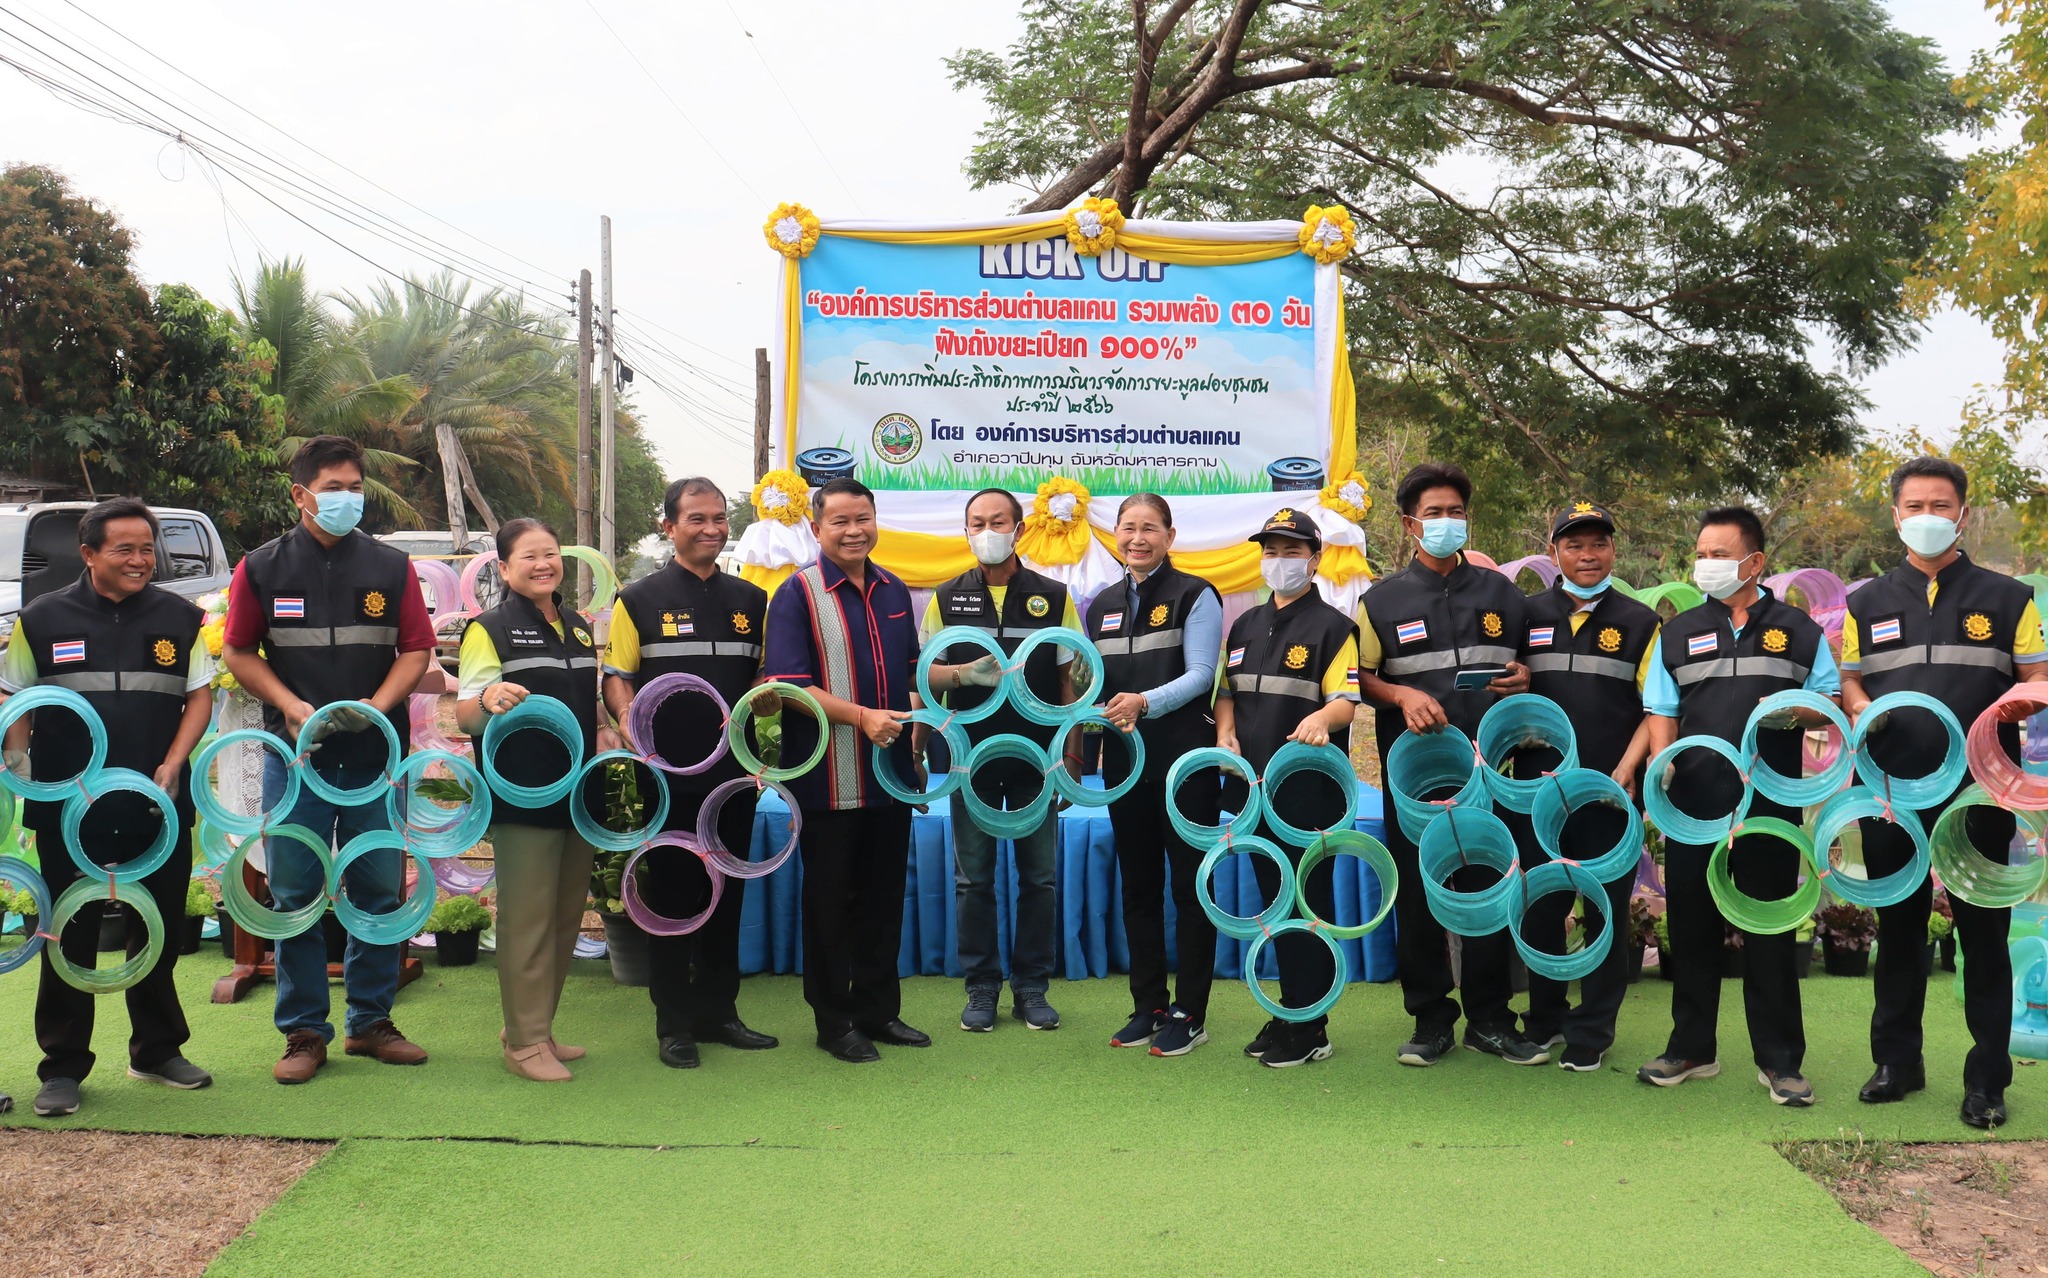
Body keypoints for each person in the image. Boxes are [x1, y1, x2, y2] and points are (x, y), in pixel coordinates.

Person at [1840, 457, 2047, 1130]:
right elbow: (1851, 680)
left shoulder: (2008, 598)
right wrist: (1860, 705)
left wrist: (2021, 701)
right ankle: (1897, 1064)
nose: (1926, 516)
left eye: (1940, 505)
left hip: (1979, 790)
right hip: (1890, 788)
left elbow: (2037, 677)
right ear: (1895, 515)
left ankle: (1987, 1081)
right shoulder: (1866, 602)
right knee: (1897, 928)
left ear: (1962, 514)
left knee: (1982, 933)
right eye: (1914, 506)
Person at [222, 434, 435, 1084]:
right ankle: (304, 1033)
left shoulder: (391, 567)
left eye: (355, 488)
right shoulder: (261, 568)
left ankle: (370, 1022)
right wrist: (289, 705)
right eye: (333, 488)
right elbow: (238, 651)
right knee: (295, 894)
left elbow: (416, 649)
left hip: (376, 756)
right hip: (298, 759)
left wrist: (377, 706)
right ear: (301, 494)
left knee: (377, 890)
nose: (347, 499)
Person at [762, 477, 991, 1063]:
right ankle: (833, 1022)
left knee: (884, 899)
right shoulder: (796, 594)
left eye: (862, 518)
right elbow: (789, 687)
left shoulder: (893, 589)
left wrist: (962, 675)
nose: (853, 530)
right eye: (839, 521)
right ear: (816, 528)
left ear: (875, 521)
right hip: (827, 780)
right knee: (829, 904)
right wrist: (861, 717)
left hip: (890, 776)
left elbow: (911, 670)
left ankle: (878, 1011)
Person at [1, 498, 215, 1117]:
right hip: (70, 807)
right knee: (70, 932)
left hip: (156, 805)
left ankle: (157, 1051)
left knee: (158, 927)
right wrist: (20, 766)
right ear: (89, 554)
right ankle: (63, 1066)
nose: (140, 559)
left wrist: (174, 763)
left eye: (147, 548)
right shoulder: (42, 619)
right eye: (124, 549)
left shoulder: (180, 618)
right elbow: (16, 698)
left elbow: (199, 696)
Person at [1638, 506, 1837, 1107]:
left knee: (1768, 928)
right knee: (1691, 926)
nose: (1707, 564)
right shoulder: (1677, 632)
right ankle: (1691, 1048)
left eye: (1720, 555)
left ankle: (1780, 1061)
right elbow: (1661, 708)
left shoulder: (1798, 631)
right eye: (1701, 554)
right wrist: (1661, 763)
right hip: (1693, 803)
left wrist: (1789, 711)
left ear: (1755, 562)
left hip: (1770, 804)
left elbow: (1826, 702)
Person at [1357, 462, 1539, 1068]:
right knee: (1419, 895)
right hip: (1417, 779)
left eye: (1454, 512)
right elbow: (1362, 676)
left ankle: (1489, 1019)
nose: (1445, 522)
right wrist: (1402, 694)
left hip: (1490, 773)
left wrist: (1523, 677)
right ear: (1410, 524)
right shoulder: (1379, 601)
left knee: (1487, 889)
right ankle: (1430, 1019)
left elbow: (1529, 666)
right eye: (1433, 513)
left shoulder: (1504, 595)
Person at [604, 477, 780, 1069]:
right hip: (667, 774)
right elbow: (617, 676)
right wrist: (627, 721)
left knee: (727, 891)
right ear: (670, 527)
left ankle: (719, 1013)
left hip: (733, 776)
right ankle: (674, 1024)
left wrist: (767, 698)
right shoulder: (638, 599)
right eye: (697, 519)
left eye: (719, 518)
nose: (711, 528)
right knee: (673, 895)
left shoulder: (751, 600)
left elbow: (763, 678)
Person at [457, 519, 617, 1082]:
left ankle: (536, 1026)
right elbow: (466, 713)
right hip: (523, 794)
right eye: (529, 556)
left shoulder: (577, 628)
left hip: (576, 792)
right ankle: (524, 1044)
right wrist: (489, 698)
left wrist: (605, 727)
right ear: (504, 568)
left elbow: (584, 699)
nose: (543, 564)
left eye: (550, 553)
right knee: (527, 920)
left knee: (565, 917)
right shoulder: (489, 629)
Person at [918, 488, 1080, 1034]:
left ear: (1019, 529)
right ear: (966, 531)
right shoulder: (946, 597)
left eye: (998, 522)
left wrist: (1071, 756)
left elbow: (1071, 682)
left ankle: (1032, 987)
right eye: (977, 523)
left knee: (1040, 878)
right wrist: (959, 682)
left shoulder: (1054, 596)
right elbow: (924, 674)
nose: (987, 532)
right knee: (973, 879)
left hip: (1039, 760)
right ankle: (982, 986)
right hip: (971, 760)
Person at [1508, 502, 1659, 1072]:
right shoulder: (1525, 615)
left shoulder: (1642, 623)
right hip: (1536, 795)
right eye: (1574, 545)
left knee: (1603, 911)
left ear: (1614, 551)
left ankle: (1592, 1030)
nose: (1587, 555)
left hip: (1607, 796)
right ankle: (1544, 1020)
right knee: (1541, 908)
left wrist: (1628, 768)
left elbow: (1656, 709)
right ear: (1554, 553)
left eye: (1598, 544)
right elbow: (1504, 689)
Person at [1213, 507, 1361, 1068]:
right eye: (1271, 551)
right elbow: (1226, 692)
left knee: (1306, 904)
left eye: (1292, 552)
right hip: (1252, 790)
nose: (1279, 562)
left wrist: (1323, 718)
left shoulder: (1334, 628)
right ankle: (1290, 1010)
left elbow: (1345, 701)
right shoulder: (1245, 625)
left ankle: (1311, 1024)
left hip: (1307, 793)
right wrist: (1225, 733)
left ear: (1315, 559)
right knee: (1275, 905)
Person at [1084, 493, 1224, 1057]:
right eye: (1128, 528)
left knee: (1191, 889)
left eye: (1149, 528)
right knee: (1138, 888)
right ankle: (1149, 1006)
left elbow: (1202, 674)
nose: (1137, 538)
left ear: (1170, 536)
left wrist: (1145, 702)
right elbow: (1094, 689)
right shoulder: (1101, 605)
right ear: (1115, 534)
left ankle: (1190, 1013)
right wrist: (1080, 754)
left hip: (1185, 767)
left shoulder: (1195, 594)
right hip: (1125, 769)